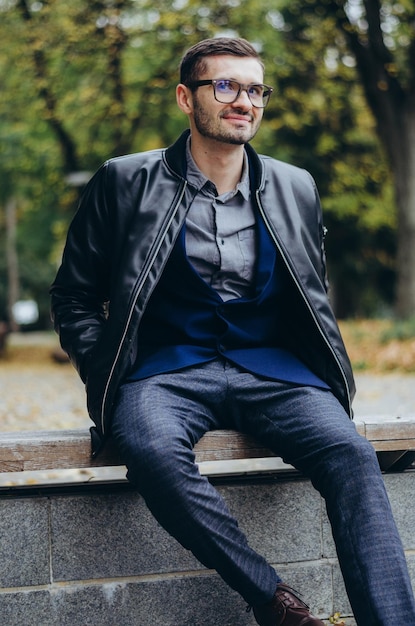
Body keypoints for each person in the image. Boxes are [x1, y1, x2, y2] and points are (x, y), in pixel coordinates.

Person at [50, 37, 415, 625]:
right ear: (184, 98)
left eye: (254, 90)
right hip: (164, 371)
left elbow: (307, 294)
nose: (242, 101)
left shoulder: (296, 186)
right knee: (151, 452)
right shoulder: (124, 181)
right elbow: (73, 296)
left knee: (352, 455)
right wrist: (106, 374)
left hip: (272, 368)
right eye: (224, 86)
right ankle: (275, 602)